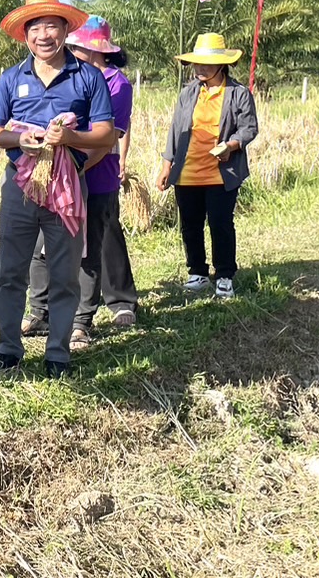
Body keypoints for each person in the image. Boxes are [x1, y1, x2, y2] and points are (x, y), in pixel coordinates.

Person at [0, 0, 115, 378]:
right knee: (9, 272)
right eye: (35, 27)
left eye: (51, 26)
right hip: (20, 187)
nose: (44, 34)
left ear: (65, 31)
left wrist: (69, 139)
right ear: (26, 34)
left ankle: (57, 353)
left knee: (63, 273)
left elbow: (106, 135)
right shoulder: (12, 78)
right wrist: (17, 140)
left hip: (69, 185)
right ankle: (8, 347)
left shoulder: (88, 76)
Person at [24, 17, 139, 345]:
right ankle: (41, 313)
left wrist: (73, 170)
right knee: (42, 245)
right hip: (54, 175)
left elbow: (105, 140)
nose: (71, 52)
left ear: (98, 52)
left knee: (89, 248)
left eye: (77, 47)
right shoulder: (65, 76)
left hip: (94, 175)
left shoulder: (117, 84)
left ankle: (82, 320)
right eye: (71, 47)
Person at [155, 32, 261, 300]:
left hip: (221, 172)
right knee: (190, 224)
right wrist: (167, 164)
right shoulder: (188, 93)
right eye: (197, 63)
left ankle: (224, 275)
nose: (200, 68)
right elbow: (175, 130)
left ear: (221, 65)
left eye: (206, 63)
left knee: (220, 223)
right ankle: (197, 273)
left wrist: (231, 145)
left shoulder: (238, 93)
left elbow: (249, 128)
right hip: (187, 170)